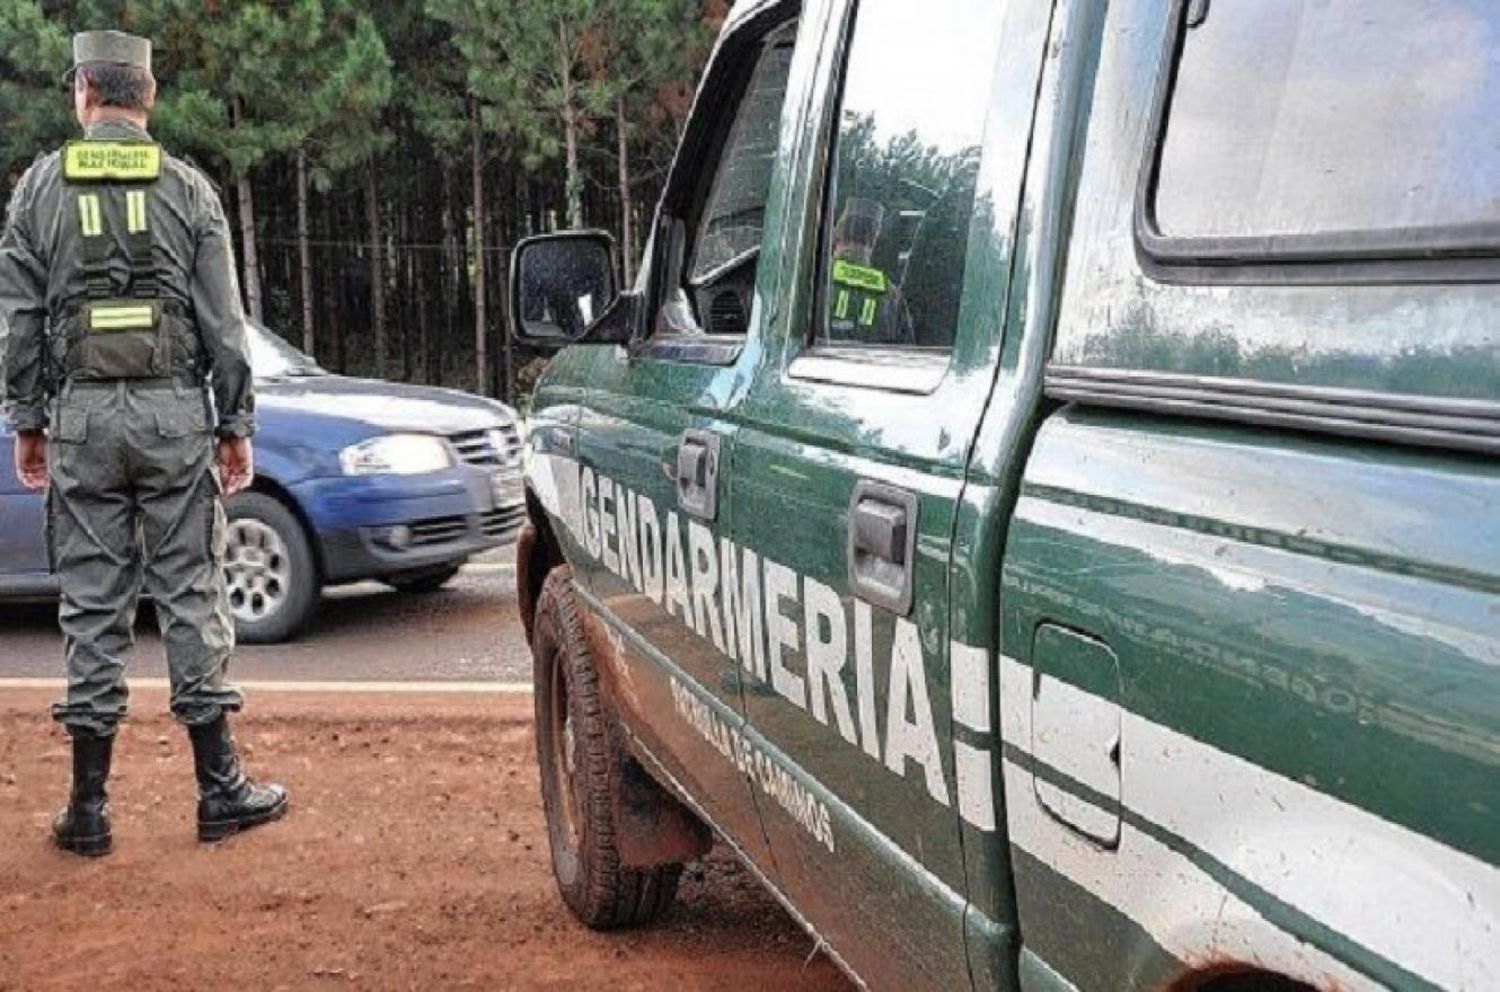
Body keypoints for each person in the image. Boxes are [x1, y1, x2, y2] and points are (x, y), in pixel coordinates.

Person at [0, 30, 287, 857]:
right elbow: (224, 327)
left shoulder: (39, 190)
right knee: (192, 597)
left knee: (92, 608)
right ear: (147, 97)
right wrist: (235, 426)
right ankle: (219, 789)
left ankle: (89, 811)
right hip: (172, 420)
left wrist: (28, 422)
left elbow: (18, 321)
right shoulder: (189, 190)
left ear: (86, 92)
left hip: (83, 423)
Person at [827, 197, 914, 346]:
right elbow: (907, 353)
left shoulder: (811, 280)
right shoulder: (892, 296)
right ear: (874, 239)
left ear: (836, 234)